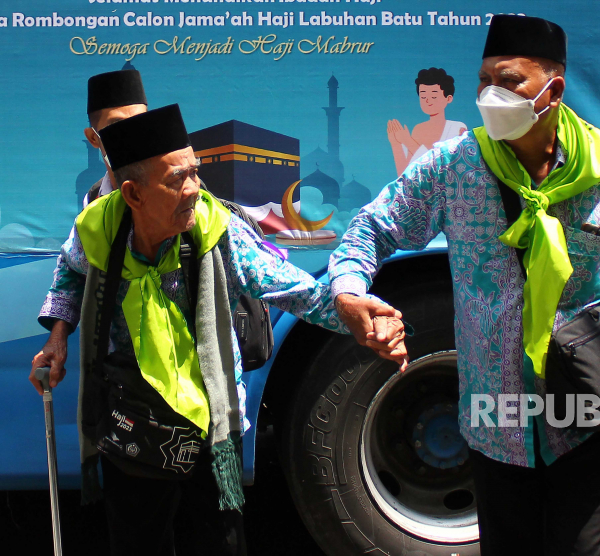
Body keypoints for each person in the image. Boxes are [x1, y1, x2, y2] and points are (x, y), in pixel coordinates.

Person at [329, 14, 600, 556]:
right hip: (494, 421)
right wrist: (348, 289)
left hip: (590, 413)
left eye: (509, 81)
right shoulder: (453, 167)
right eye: (484, 80)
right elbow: (371, 228)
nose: (490, 94)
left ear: (553, 89)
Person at [30, 104, 407, 556]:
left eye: (195, 171)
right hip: (130, 425)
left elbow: (300, 293)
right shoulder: (96, 229)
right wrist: (57, 337)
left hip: (209, 432)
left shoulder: (218, 232)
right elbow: (70, 274)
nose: (194, 189)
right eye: (177, 179)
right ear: (132, 194)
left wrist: (357, 316)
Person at [81, 69, 149, 207]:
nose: (130, 133)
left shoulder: (180, 188)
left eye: (139, 121)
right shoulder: (94, 198)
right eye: (117, 125)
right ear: (93, 138)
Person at [387, 67, 467, 175]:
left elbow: (440, 168)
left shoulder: (457, 128)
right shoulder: (418, 129)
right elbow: (405, 174)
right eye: (423, 96)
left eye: (434, 96)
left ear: (448, 98)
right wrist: (396, 144)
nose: (428, 101)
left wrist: (407, 141)